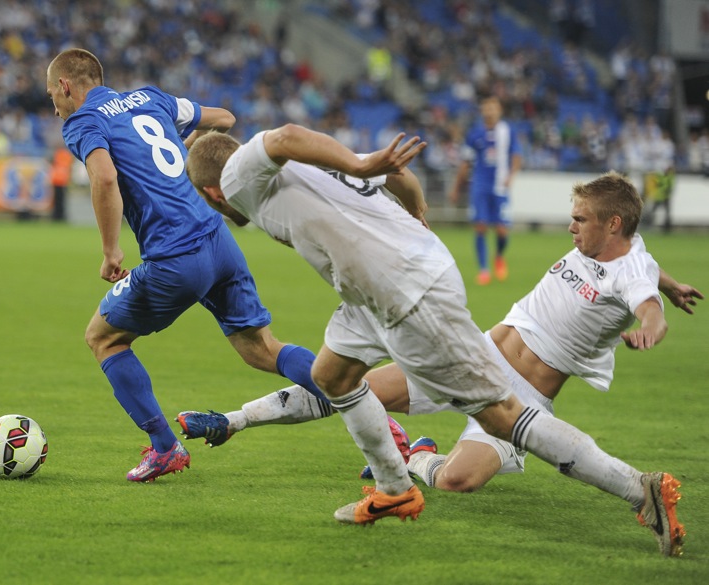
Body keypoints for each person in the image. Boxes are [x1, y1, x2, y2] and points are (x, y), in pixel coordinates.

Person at [185, 129, 685, 552]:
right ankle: (385, 485)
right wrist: (413, 204)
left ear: (210, 193)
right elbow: (399, 174)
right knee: (331, 375)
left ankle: (638, 489)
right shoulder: (304, 173)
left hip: (404, 287)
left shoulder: (236, 174)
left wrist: (363, 163)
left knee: (501, 420)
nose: (572, 225)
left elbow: (288, 135)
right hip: (375, 287)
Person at [45, 48, 333, 483]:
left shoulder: (83, 121)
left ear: (66, 86)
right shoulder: (149, 98)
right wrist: (186, 154)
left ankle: (165, 448)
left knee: (102, 338)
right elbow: (225, 120)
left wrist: (110, 251)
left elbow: (104, 178)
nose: (54, 105)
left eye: (52, 94)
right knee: (261, 349)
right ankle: (382, 423)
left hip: (175, 258)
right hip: (219, 242)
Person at [449, 95, 522, 285]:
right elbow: (466, 162)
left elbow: (516, 155)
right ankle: (483, 270)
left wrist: (511, 175)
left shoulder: (508, 131)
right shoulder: (474, 134)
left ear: (499, 110)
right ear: (482, 111)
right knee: (480, 226)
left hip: (500, 187)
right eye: (486, 107)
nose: (490, 111)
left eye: (493, 107)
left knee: (502, 230)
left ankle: (498, 255)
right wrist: (457, 188)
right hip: (479, 185)